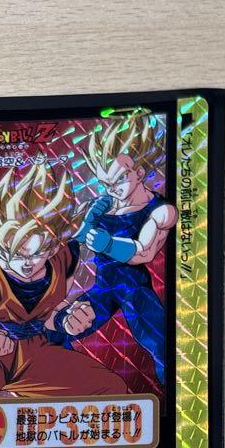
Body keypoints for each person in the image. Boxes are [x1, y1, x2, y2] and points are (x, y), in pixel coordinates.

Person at [0, 159, 126, 401]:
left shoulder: (63, 258)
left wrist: (66, 319)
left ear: (53, 246)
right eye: (17, 254)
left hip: (38, 353)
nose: (27, 264)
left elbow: (52, 313)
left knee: (111, 389)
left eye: (37, 254)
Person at [69, 111, 176, 386]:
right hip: (103, 288)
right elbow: (73, 238)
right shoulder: (104, 204)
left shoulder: (161, 210)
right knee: (61, 330)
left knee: (163, 347)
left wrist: (107, 243)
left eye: (118, 180)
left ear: (139, 172)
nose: (112, 189)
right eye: (105, 183)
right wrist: (87, 221)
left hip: (134, 290)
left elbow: (144, 252)